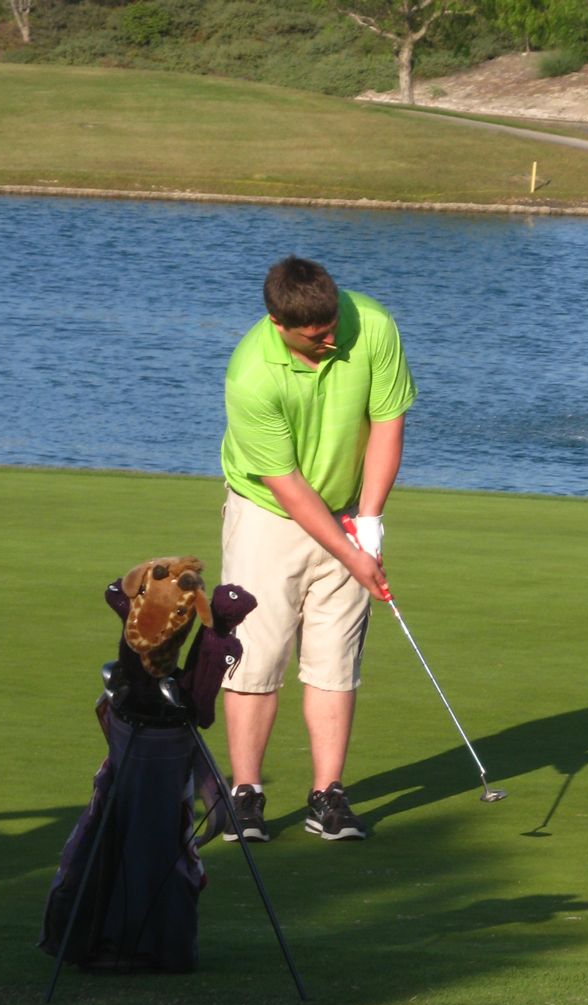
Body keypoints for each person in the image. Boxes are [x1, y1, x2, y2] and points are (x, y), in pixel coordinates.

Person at [219, 255, 416, 843]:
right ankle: (246, 794)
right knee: (256, 657)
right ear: (279, 323)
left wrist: (371, 523)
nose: (332, 341)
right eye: (317, 336)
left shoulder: (372, 325)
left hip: (348, 506)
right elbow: (289, 490)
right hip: (268, 515)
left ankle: (327, 795)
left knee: (336, 657)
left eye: (333, 326)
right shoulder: (251, 374)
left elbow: (387, 421)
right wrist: (352, 553)